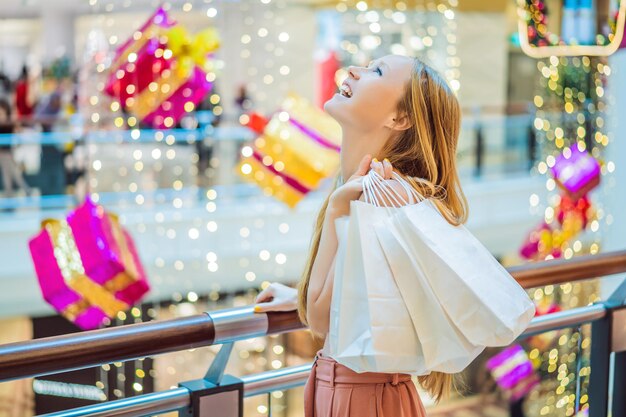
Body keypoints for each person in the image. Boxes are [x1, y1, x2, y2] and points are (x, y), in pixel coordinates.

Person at [254, 55, 468, 416]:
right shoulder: (372, 186)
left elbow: (320, 322)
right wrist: (301, 295)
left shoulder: (381, 192)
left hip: (362, 398)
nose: (354, 70)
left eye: (377, 71)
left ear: (399, 119)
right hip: (349, 390)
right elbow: (365, 297)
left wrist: (339, 209)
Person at [0, 99, 31, 198]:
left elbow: (18, 130)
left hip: (7, 152)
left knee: (12, 173)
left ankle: (25, 190)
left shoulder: (9, 123)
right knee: (8, 174)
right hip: (3, 153)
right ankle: (12, 193)